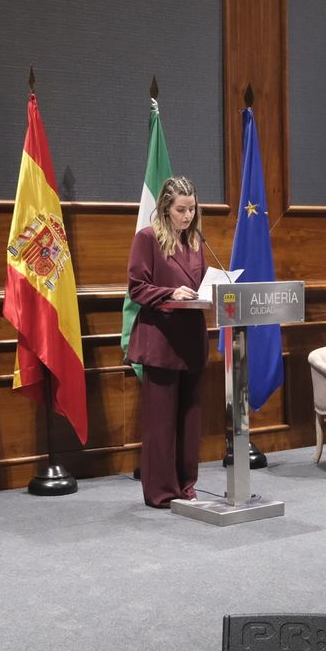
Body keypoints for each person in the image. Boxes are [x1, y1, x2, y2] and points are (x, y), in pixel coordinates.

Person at [126, 175, 211, 507]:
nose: (188, 216)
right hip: (160, 341)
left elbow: (200, 285)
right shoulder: (147, 238)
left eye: (192, 209)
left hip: (191, 340)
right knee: (160, 424)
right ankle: (161, 491)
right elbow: (137, 287)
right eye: (181, 210)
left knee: (189, 421)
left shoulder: (195, 241)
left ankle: (186, 485)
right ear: (165, 208)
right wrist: (169, 292)